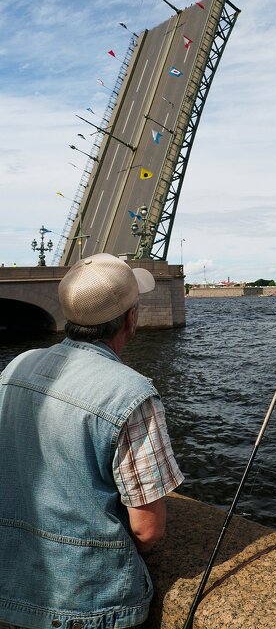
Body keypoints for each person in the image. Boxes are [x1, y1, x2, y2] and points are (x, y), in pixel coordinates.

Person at [0, 253, 184, 629]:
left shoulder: (16, 366)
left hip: (10, 584)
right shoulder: (132, 393)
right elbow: (148, 530)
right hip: (89, 603)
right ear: (130, 319)